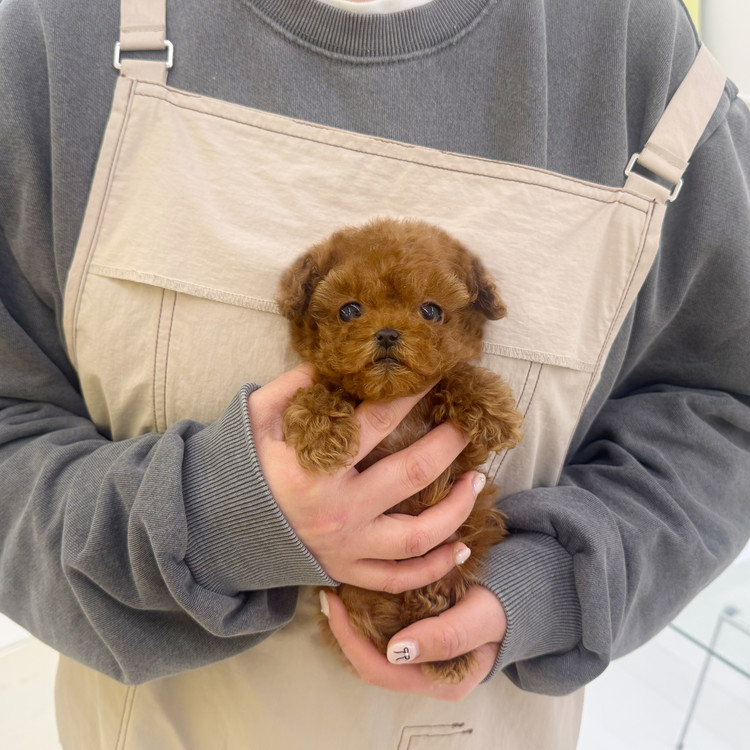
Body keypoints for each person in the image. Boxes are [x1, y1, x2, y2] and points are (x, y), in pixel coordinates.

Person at [0, 0, 748, 747]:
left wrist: (555, 586)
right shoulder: (54, 34)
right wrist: (207, 521)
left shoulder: (645, 59)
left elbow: (725, 403)